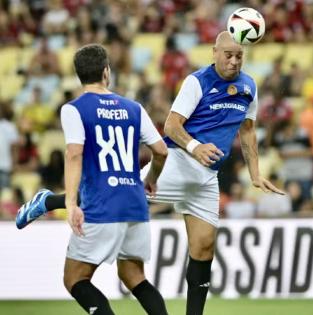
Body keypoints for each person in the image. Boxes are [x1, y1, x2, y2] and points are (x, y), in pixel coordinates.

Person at [16, 32, 283, 315]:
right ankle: (47, 202)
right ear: (214, 52)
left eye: (239, 56)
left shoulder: (249, 86)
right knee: (116, 191)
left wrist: (255, 173)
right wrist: (195, 147)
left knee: (204, 248)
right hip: (178, 163)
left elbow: (248, 130)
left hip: (207, 178)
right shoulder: (198, 82)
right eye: (228, 55)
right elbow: (171, 126)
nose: (234, 61)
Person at [30, 44, 169, 315]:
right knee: (134, 277)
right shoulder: (134, 108)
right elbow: (161, 151)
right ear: (107, 72)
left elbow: (73, 154)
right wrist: (151, 178)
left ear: (79, 75)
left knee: (75, 278)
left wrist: (70, 203)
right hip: (135, 205)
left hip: (101, 205)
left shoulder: (74, 109)